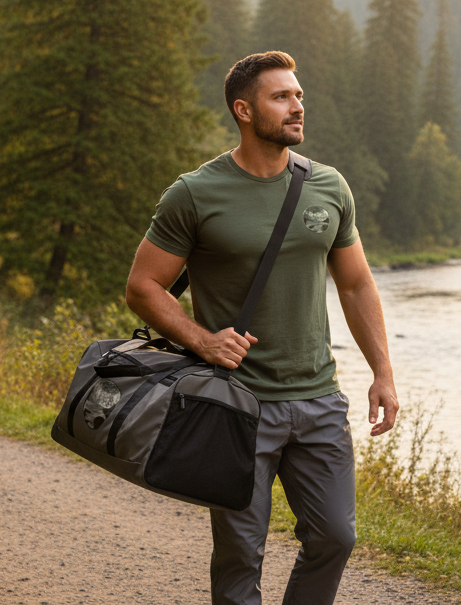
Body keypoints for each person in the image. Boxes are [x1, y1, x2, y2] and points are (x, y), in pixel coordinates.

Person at [125, 51, 398, 605]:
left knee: (335, 537)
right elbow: (142, 286)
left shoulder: (328, 187)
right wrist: (202, 340)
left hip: (319, 399)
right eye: (283, 97)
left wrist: (383, 373)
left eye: (298, 95)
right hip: (235, 407)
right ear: (244, 110)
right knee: (240, 554)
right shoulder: (196, 193)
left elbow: (356, 285)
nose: (298, 106)